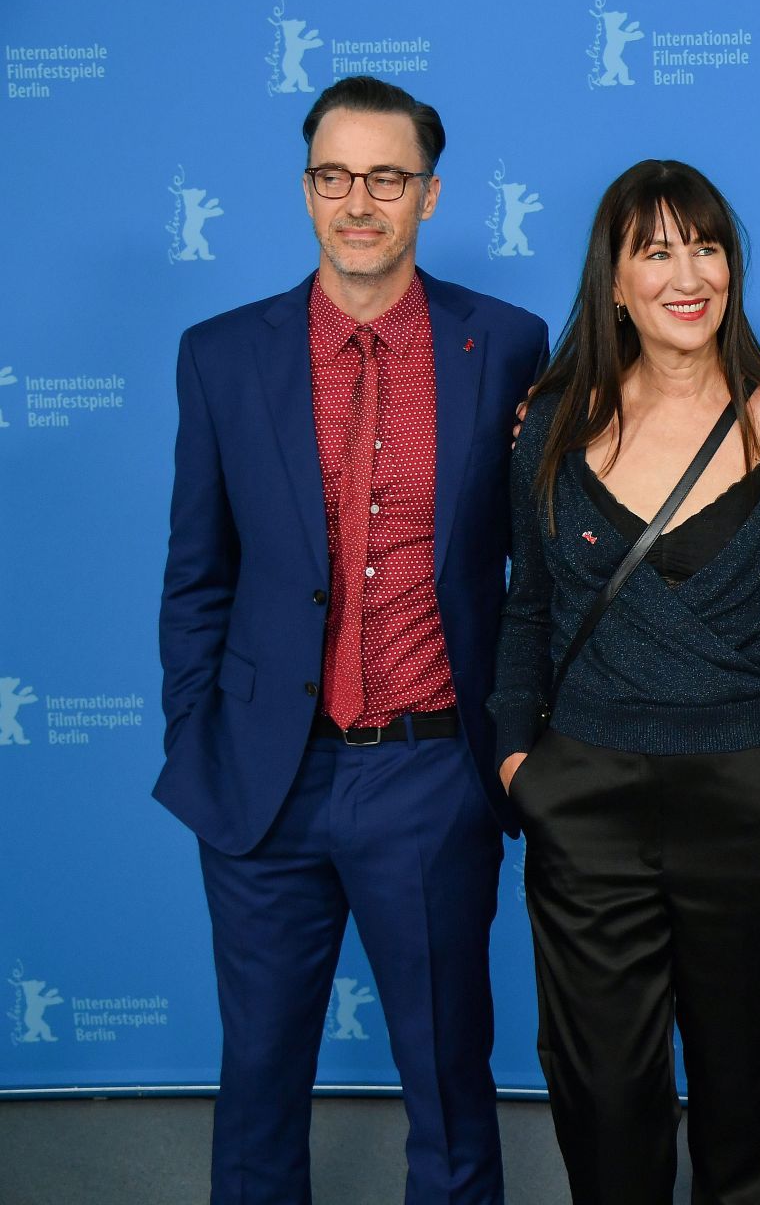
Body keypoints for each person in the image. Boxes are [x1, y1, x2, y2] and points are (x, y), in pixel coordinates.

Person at [155, 76, 548, 1204]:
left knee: (447, 1081)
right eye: (334, 176)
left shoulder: (508, 344)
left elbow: (540, 568)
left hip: (431, 773)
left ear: (430, 194)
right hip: (263, 778)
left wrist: (513, 746)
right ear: (307, 190)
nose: (358, 200)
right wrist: (204, 734)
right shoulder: (222, 355)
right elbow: (196, 574)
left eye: (386, 176)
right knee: (260, 1080)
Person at [488, 159, 760, 1204]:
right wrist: (521, 760)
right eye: (654, 250)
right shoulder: (550, 427)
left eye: (706, 245)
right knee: (602, 1096)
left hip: (756, 793)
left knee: (747, 1097)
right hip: (586, 795)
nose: (687, 273)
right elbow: (527, 608)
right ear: (613, 280)